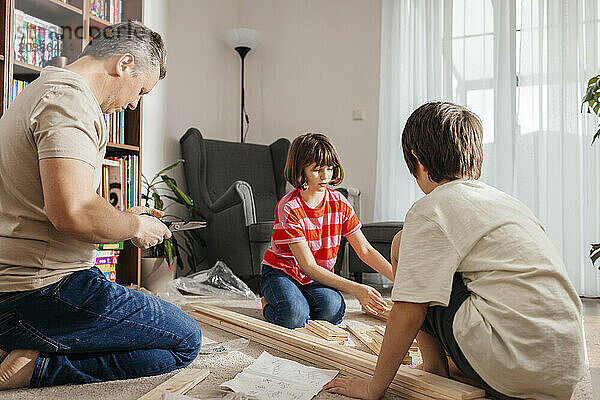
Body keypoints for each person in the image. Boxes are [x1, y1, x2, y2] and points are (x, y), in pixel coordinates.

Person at [324, 102, 585, 400]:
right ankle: (469, 368)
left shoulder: (430, 209)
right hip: (563, 369)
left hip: (513, 368)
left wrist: (373, 388)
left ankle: (436, 370)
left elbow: (408, 313)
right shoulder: (508, 203)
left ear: (416, 160)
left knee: (401, 245)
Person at [0, 21, 202, 390]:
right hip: (37, 290)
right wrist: (137, 227)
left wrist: (126, 218)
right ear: (124, 64)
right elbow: (73, 211)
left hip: (30, 282)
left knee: (152, 330)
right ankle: (31, 368)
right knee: (185, 341)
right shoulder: (70, 100)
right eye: (141, 90)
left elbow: (60, 202)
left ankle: (35, 343)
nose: (134, 103)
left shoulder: (43, 88)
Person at [260, 133, 394, 329]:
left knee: (333, 310)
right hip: (283, 273)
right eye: (317, 170)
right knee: (294, 317)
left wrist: (399, 280)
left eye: (329, 169)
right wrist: (356, 289)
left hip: (316, 276)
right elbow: (308, 266)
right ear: (301, 170)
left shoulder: (339, 203)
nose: (325, 176)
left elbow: (365, 250)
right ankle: (268, 303)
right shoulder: (288, 207)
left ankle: (301, 300)